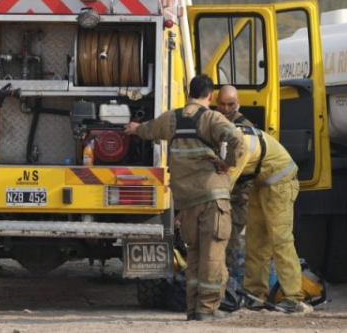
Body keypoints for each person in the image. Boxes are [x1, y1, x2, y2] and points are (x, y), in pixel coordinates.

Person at [125, 75, 245, 321]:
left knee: (194, 255)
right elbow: (238, 140)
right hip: (212, 197)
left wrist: (135, 129)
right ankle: (207, 309)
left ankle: (192, 308)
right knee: (212, 254)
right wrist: (227, 164)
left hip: (186, 200)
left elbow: (148, 130)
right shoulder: (212, 118)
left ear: (189, 92)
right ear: (210, 96)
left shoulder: (172, 118)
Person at [232, 125, 313, 314]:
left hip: (280, 185)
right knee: (255, 242)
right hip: (261, 185)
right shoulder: (230, 136)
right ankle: (255, 295)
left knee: (281, 241)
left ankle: (293, 298)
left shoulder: (241, 143)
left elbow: (227, 180)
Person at [216, 85, 254, 276]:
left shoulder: (245, 128)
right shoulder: (212, 124)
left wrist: (247, 191)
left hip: (237, 194)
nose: (226, 108)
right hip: (218, 192)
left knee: (233, 241)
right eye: (222, 104)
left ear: (237, 103)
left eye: (230, 104)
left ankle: (234, 282)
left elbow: (253, 163)